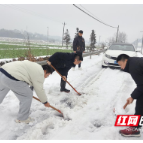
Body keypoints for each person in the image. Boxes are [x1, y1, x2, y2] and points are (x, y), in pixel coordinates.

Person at [117, 54, 143, 137]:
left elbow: (142, 85)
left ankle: (134, 128)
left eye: (121, 65)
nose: (121, 68)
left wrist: (132, 97)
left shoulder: (133, 66)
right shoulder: (134, 62)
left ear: (126, 61)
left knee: (140, 104)